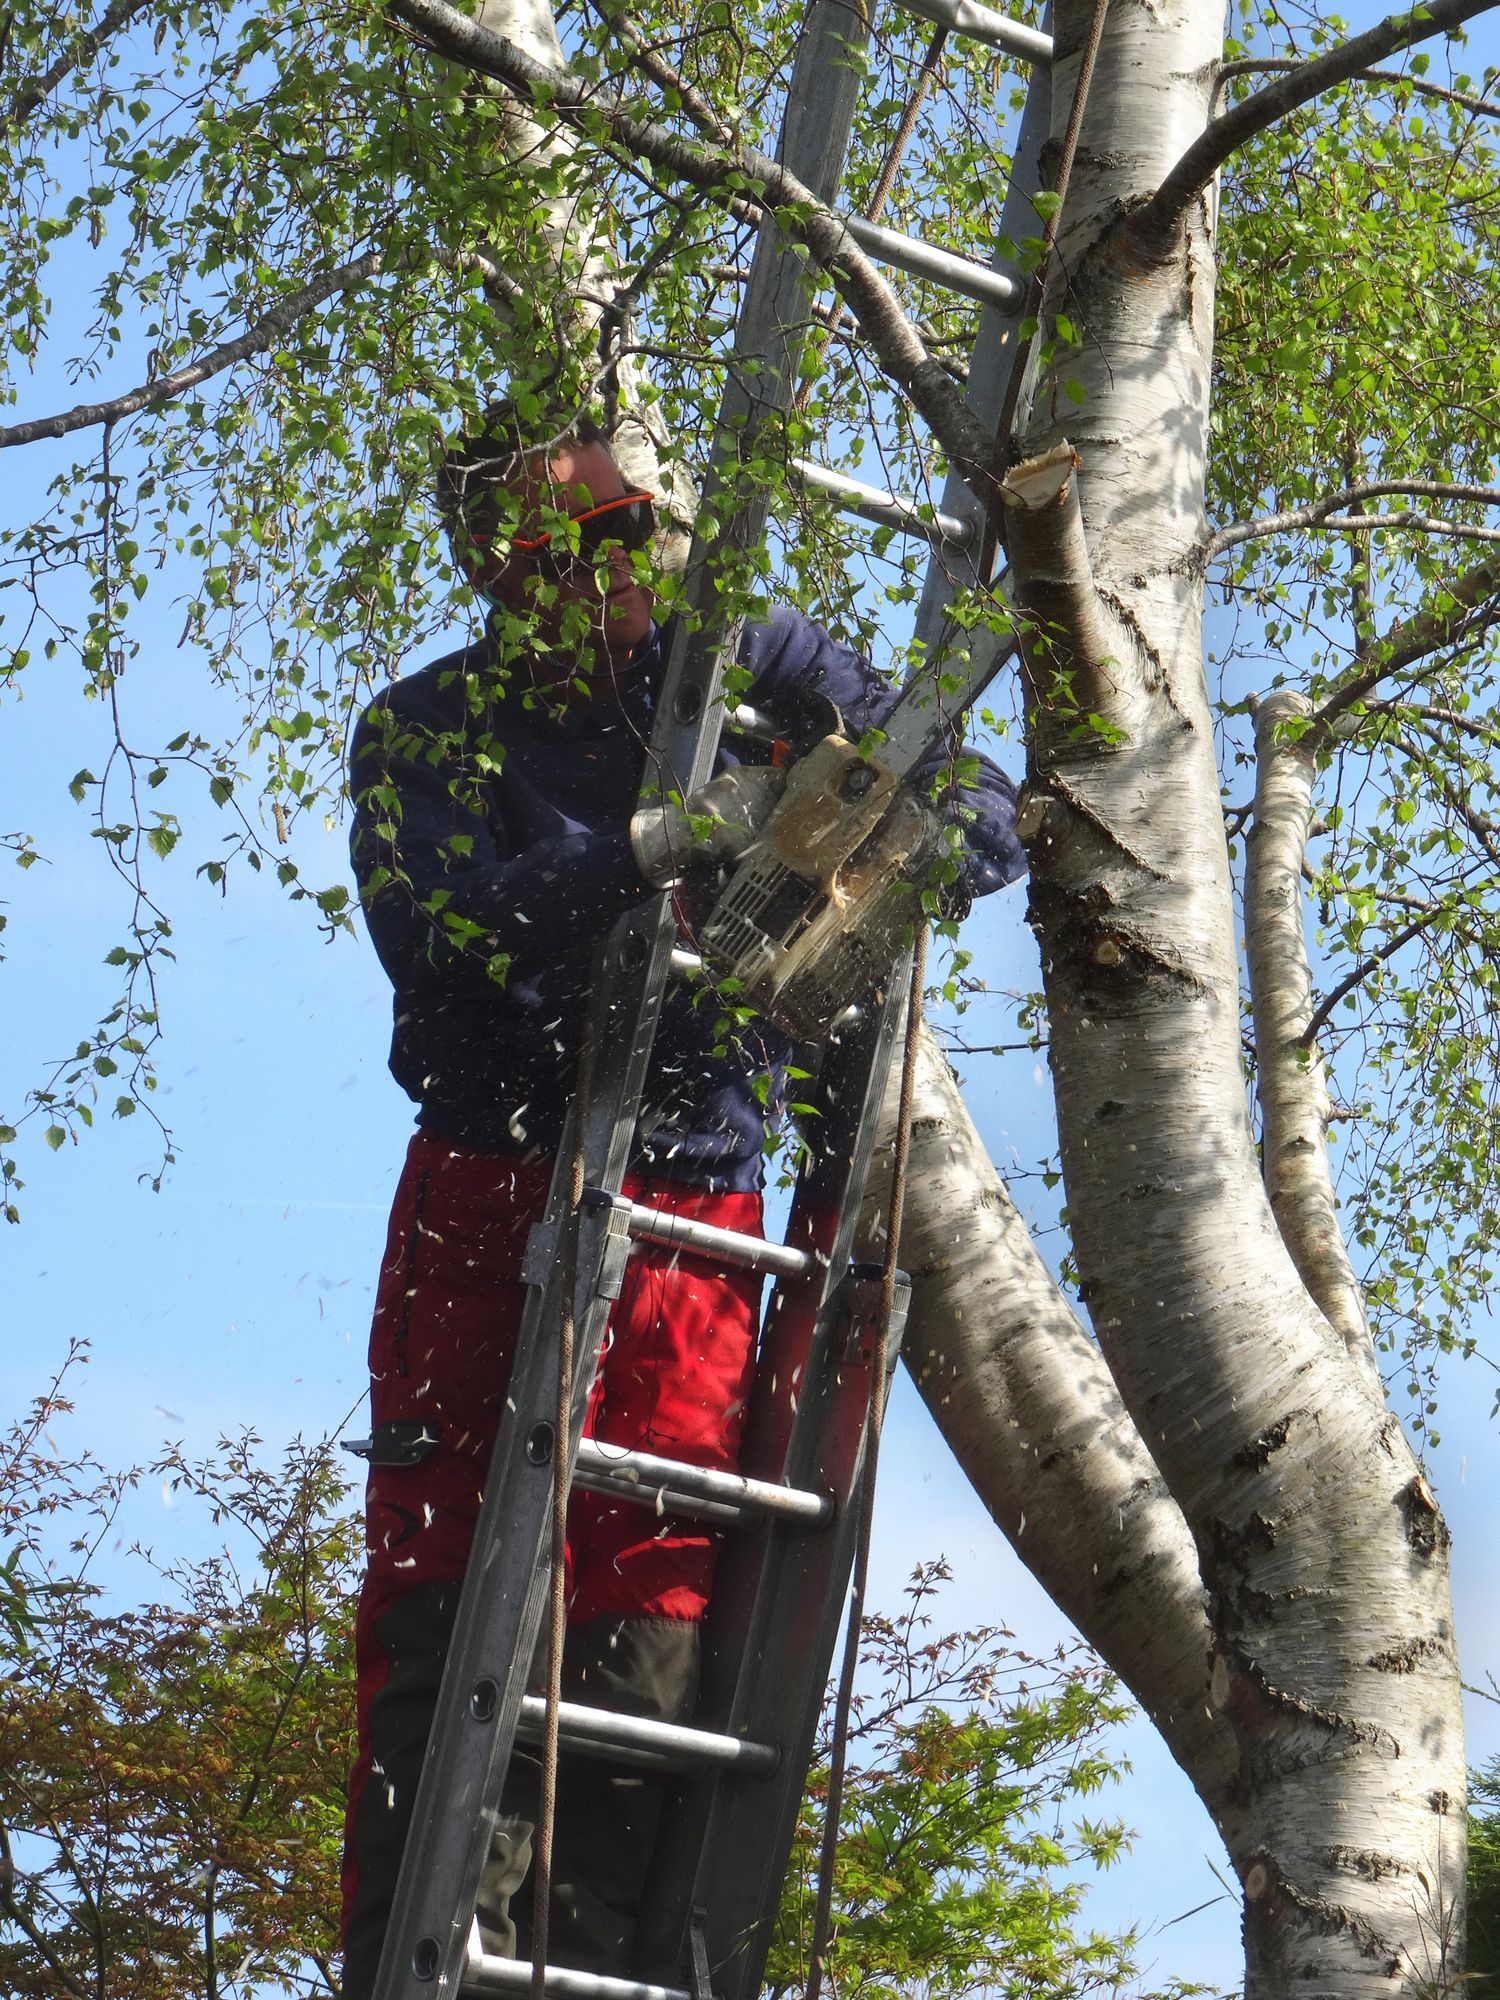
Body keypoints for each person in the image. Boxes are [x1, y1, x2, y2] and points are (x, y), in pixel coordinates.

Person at [340, 406, 1025, 1998]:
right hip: (493, 1199)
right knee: (456, 1630)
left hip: (692, 1221)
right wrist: (660, 844)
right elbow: (448, 949)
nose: (608, 569)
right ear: (493, 563)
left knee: (645, 1632)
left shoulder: (767, 668)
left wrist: (852, 835)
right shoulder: (428, 730)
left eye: (629, 527)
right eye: (559, 543)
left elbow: (980, 809)